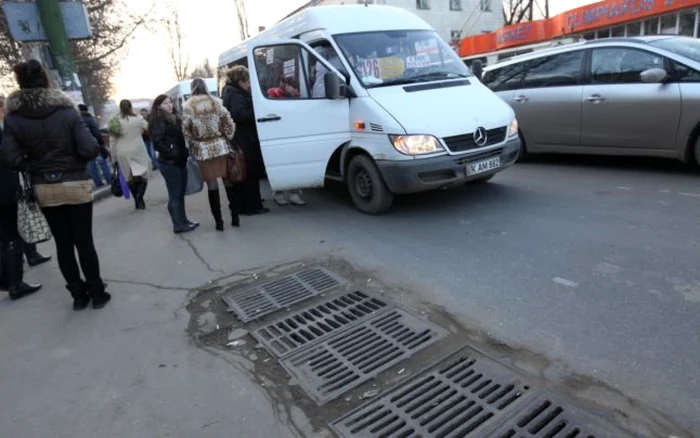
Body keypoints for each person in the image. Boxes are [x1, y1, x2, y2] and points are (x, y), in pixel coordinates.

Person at [0, 60, 109, 310]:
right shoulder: (67, 112)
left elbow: (9, 157)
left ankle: (78, 297)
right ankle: (97, 293)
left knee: (63, 244)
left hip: (44, 188)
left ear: (20, 84)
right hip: (76, 184)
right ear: (46, 81)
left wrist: (32, 163)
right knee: (84, 242)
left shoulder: (14, 119)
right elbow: (90, 147)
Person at [0, 93, 42, 300]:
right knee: (11, 235)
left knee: (4, 236)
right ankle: (15, 283)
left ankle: (7, 280)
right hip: (4, 191)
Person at [183, 78, 238, 231]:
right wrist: (227, 136)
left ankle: (219, 222)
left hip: (204, 150)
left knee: (212, 185)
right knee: (228, 181)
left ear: (192, 88)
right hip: (221, 147)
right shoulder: (216, 102)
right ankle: (235, 216)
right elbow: (229, 122)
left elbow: (186, 131)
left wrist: (193, 143)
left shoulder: (188, 106)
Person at [222, 66, 269, 216]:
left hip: (240, 138)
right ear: (240, 80)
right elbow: (240, 115)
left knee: (245, 174)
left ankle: (246, 205)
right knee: (249, 173)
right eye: (247, 81)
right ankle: (253, 206)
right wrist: (258, 110)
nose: (249, 85)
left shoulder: (230, 91)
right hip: (244, 139)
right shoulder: (236, 94)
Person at [149, 94, 198, 234]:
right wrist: (172, 152)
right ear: (158, 106)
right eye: (165, 103)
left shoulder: (175, 118)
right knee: (175, 195)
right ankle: (178, 225)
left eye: (170, 102)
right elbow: (158, 143)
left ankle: (184, 221)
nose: (169, 105)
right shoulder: (158, 120)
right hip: (170, 163)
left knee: (180, 193)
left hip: (180, 160)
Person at [109, 100, 150, 210]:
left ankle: (137, 199)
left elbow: (112, 141)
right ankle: (139, 197)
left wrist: (113, 158)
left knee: (129, 177)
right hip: (138, 150)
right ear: (131, 107)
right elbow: (148, 127)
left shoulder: (115, 121)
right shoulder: (138, 118)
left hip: (122, 151)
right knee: (143, 174)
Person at [79, 103, 113, 187]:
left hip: (85, 145)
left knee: (91, 164)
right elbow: (96, 132)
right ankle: (109, 179)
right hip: (95, 144)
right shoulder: (90, 119)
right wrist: (101, 142)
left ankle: (98, 182)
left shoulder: (78, 120)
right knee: (102, 161)